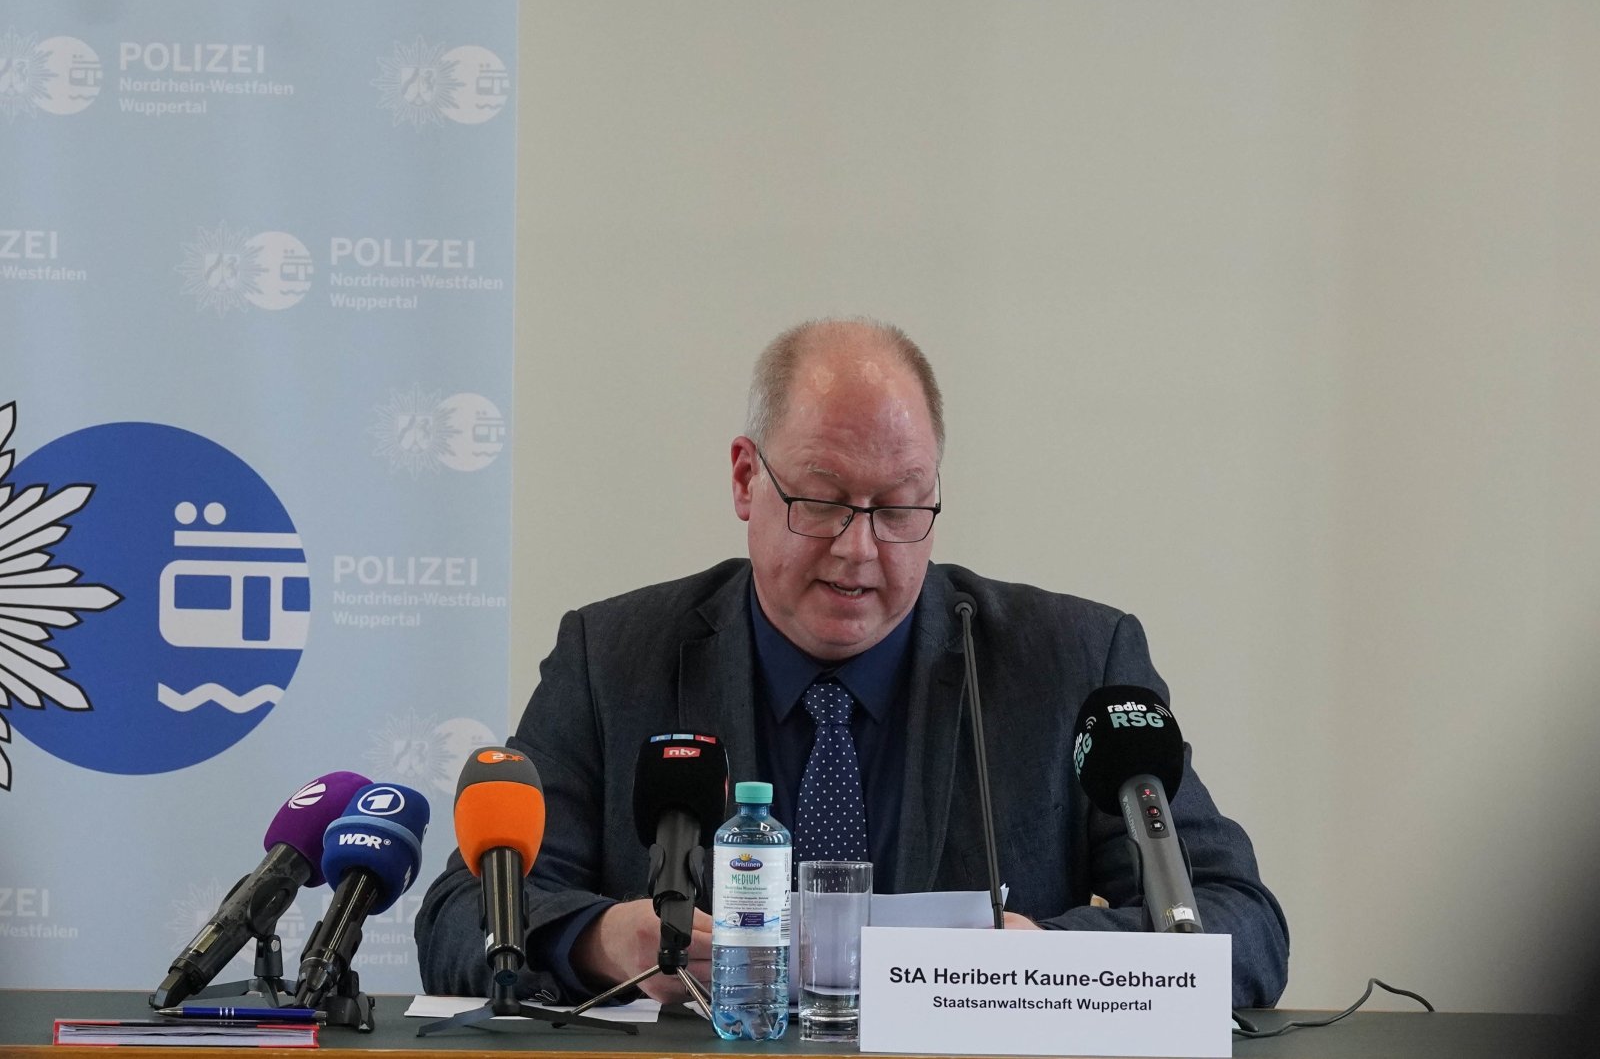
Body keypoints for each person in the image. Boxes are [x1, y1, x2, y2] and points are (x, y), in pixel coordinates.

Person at [415, 318, 1289, 1009]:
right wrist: (608, 940)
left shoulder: (1067, 663)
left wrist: (1051, 962)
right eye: (823, 502)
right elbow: (462, 917)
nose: (860, 550)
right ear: (744, 480)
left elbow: (1242, 926)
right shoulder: (614, 660)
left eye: (901, 507)